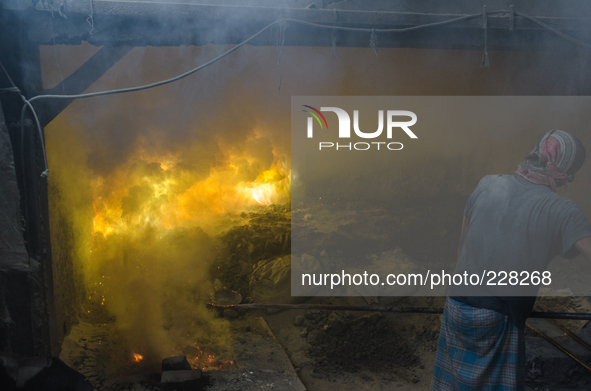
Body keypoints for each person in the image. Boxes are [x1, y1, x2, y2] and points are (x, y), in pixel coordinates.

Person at [431, 129, 591, 391]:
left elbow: (462, 246)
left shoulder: (486, 183)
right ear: (566, 172)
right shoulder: (563, 210)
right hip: (497, 317)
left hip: (456, 307)